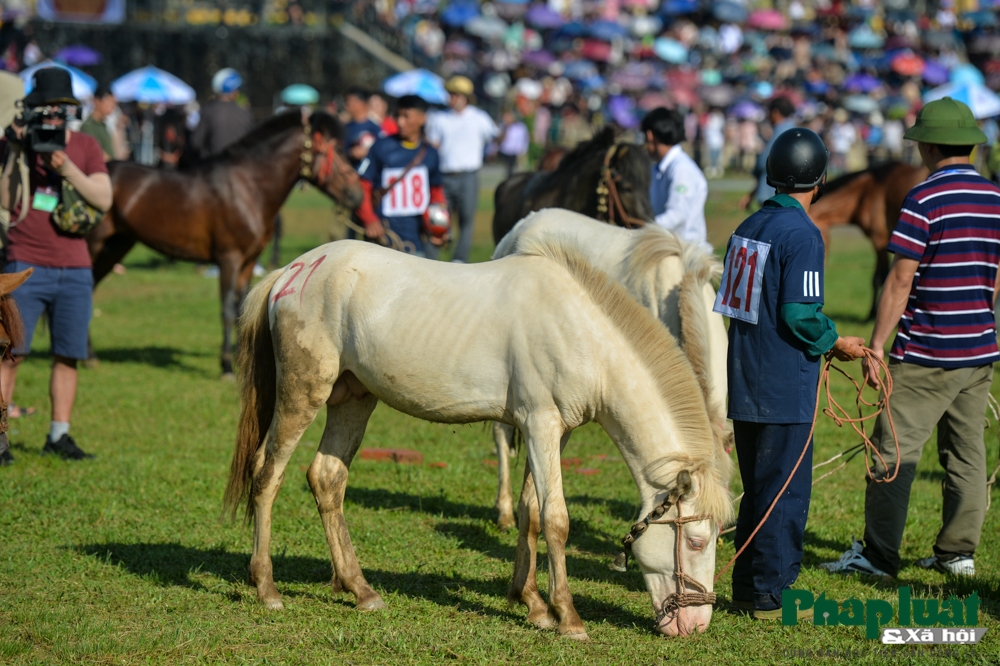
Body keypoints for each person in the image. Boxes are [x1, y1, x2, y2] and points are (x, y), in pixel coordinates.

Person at [821, 98, 1000, 579]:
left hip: (925, 350)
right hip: (980, 349)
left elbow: (900, 279)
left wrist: (878, 345)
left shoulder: (923, 197)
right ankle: (958, 554)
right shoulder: (994, 197)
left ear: (929, 145)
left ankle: (879, 557)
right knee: (966, 455)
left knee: (891, 454)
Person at [715, 128, 866, 619]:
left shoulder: (748, 225)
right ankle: (770, 595)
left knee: (757, 486)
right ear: (819, 179)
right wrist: (835, 342)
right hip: (783, 384)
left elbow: (733, 307)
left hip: (744, 377)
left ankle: (745, 586)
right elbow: (799, 314)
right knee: (784, 489)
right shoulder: (803, 234)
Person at [0, 68, 113, 464]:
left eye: (60, 107)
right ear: (31, 109)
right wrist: (13, 147)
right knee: (10, 354)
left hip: (75, 268)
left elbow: (104, 198)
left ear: (70, 110)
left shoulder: (84, 146)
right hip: (23, 263)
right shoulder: (14, 145)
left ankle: (59, 435)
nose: (52, 115)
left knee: (68, 354)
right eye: (45, 107)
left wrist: (66, 168)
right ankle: (0, 438)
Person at [355, 94, 447, 257]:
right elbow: (362, 186)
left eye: (406, 116)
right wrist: (370, 219)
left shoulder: (431, 154)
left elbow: (436, 194)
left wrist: (440, 227)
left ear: (422, 118)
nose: (400, 122)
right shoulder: (381, 147)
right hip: (383, 239)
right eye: (397, 115)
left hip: (415, 241)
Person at [425, 76, 498, 263]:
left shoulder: (479, 117)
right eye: (450, 94)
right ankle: (432, 257)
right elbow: (433, 145)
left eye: (454, 94)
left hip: (468, 175)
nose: (450, 98)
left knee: (467, 220)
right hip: (444, 175)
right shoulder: (439, 118)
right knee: (438, 219)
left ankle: (459, 259)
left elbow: (495, 137)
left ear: (465, 97)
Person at [642, 107, 710, 251]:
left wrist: (640, 229)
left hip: (687, 255)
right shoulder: (658, 168)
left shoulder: (682, 169)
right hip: (666, 248)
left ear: (650, 136)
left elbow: (677, 215)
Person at [739, 97, 797, 210]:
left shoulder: (782, 132)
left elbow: (765, 163)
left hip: (775, 193)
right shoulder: (791, 130)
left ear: (775, 113)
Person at [189, 68, 253, 159]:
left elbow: (196, 143)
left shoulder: (210, 110)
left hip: (217, 167)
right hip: (240, 166)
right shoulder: (245, 111)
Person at [343, 88, 382, 168]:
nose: (346, 105)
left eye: (349, 102)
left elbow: (381, 150)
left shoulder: (375, 127)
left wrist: (367, 152)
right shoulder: (345, 128)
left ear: (361, 103)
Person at [79, 87, 116, 162]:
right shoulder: (88, 126)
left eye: (114, 103)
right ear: (97, 101)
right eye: (109, 102)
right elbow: (98, 153)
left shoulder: (103, 125)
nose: (112, 106)